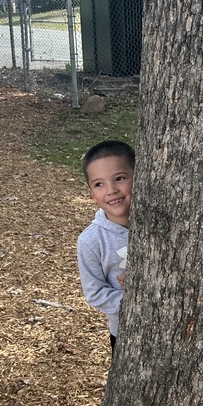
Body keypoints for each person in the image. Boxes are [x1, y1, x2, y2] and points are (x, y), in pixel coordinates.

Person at [76, 140, 135, 354]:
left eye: (119, 178)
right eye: (99, 184)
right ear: (91, 194)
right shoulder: (91, 241)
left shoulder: (163, 222)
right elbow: (95, 293)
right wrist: (136, 301)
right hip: (125, 331)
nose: (111, 190)